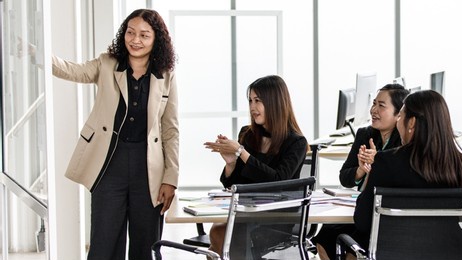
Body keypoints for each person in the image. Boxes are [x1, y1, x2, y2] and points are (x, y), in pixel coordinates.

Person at [50, 9, 178, 260]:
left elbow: (171, 130)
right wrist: (38, 54)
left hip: (149, 168)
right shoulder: (107, 63)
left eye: (144, 35)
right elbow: (72, 70)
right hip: (109, 164)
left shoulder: (167, 75)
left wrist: (170, 178)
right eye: (130, 32)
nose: (135, 40)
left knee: (146, 244)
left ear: (156, 39)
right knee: (104, 243)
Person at [352, 90, 462, 251]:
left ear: (412, 123)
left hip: (396, 250)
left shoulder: (386, 162)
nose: (397, 122)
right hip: (447, 250)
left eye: (401, 116)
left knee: (334, 235)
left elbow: (362, 221)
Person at [203, 75, 308, 256]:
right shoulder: (248, 134)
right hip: (245, 212)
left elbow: (278, 180)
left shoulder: (296, 142)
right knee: (218, 233)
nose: (253, 107)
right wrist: (231, 163)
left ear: (275, 102)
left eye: (258, 101)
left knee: (221, 235)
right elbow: (234, 186)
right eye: (250, 100)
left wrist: (242, 153)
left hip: (275, 218)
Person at [313, 84, 409, 259]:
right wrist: (360, 170)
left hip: (386, 214)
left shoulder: (405, 138)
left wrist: (378, 160)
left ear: (398, 114)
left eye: (381, 105)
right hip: (362, 208)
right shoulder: (365, 134)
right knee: (324, 236)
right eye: (374, 104)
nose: (374, 110)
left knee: (354, 248)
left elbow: (399, 174)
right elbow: (345, 177)